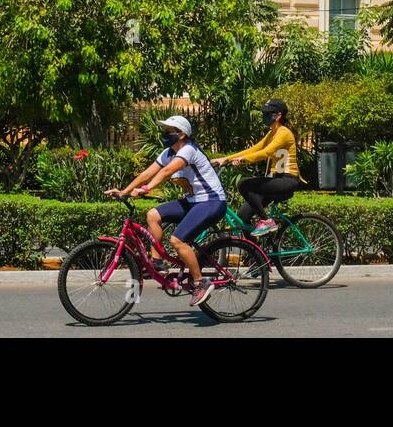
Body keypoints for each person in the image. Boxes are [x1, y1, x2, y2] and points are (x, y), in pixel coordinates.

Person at [107, 115, 226, 307]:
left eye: (168, 131)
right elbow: (147, 173)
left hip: (211, 202)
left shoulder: (189, 150)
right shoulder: (168, 153)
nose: (164, 134)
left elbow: (165, 173)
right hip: (193, 201)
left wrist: (146, 189)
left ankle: (200, 283)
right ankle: (157, 261)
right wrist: (125, 191)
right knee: (153, 215)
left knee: (177, 240)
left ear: (181, 134)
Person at [212, 98, 303, 236]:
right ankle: (257, 255)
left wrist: (243, 160)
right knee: (243, 216)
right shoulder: (272, 133)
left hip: (287, 180)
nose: (264, 117)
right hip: (275, 179)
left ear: (278, 116)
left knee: (244, 184)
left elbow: (266, 153)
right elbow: (254, 149)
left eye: (268, 114)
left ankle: (267, 221)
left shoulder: (284, 132)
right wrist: (226, 159)